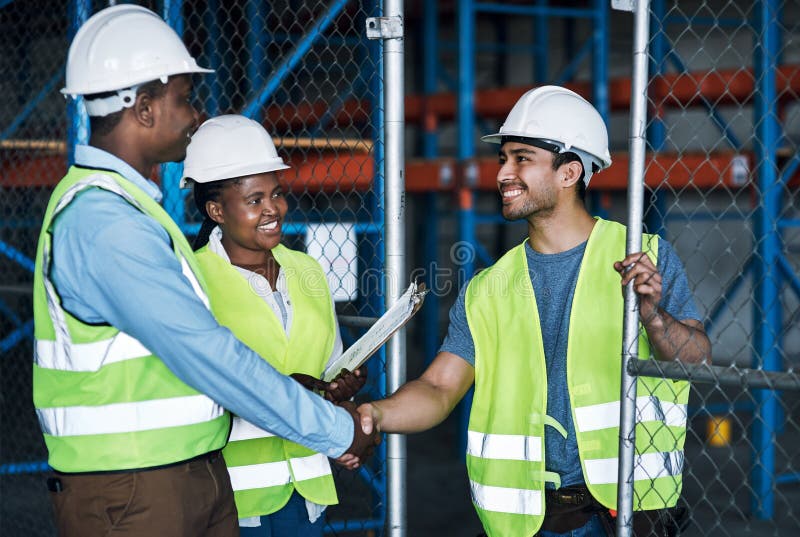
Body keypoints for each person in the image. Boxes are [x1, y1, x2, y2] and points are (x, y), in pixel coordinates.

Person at [33, 6, 377, 536]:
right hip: (135, 487)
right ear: (144, 108)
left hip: (173, 474)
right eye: (185, 98)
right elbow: (209, 354)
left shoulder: (130, 210)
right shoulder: (105, 222)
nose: (195, 115)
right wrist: (336, 429)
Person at [355, 86, 711, 537]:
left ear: (570, 172)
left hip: (629, 511)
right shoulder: (486, 289)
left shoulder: (644, 258)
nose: (503, 172)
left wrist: (653, 317)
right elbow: (439, 387)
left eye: (522, 159)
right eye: (503, 158)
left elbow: (695, 360)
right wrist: (373, 414)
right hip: (530, 520)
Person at [181, 114, 368, 536]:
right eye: (254, 200)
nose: (273, 209)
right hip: (229, 498)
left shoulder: (307, 270)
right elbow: (190, 391)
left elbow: (327, 365)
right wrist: (287, 390)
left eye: (277, 194)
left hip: (306, 492)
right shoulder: (192, 279)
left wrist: (338, 388)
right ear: (216, 210)